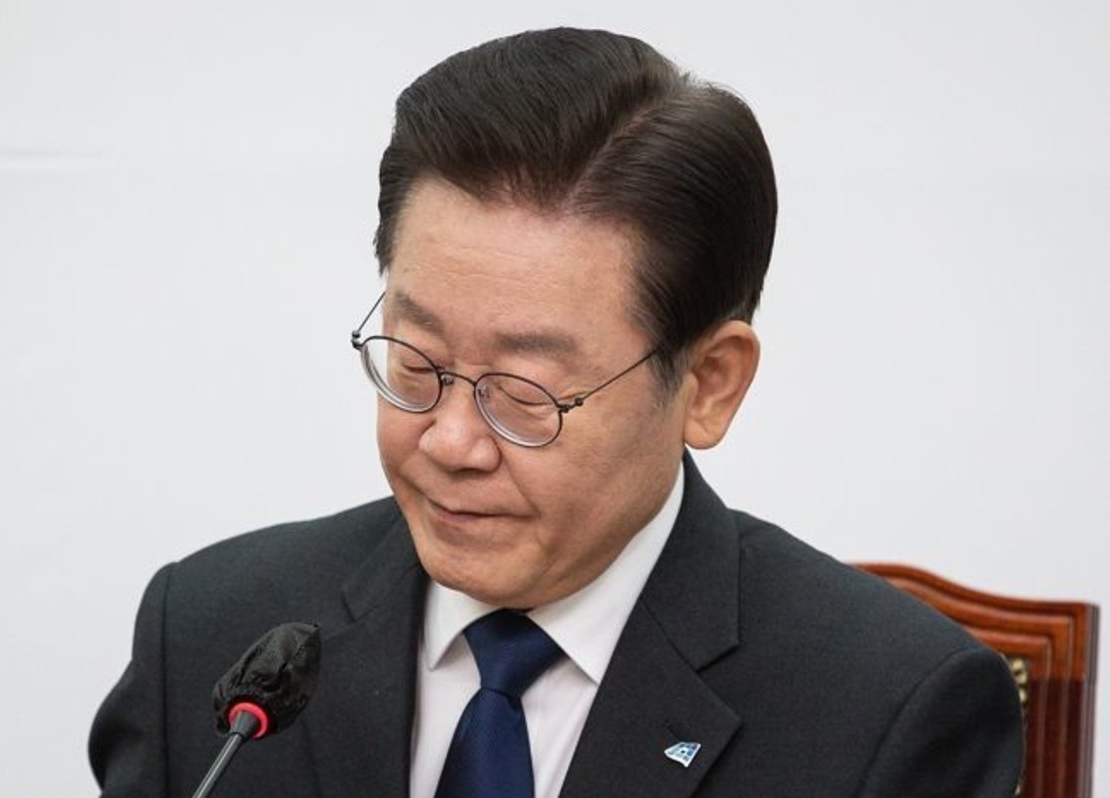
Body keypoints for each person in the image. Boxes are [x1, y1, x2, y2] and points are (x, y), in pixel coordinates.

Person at [90, 27, 1023, 797]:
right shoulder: (210, 632)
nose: (451, 441)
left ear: (708, 384)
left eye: (524, 394)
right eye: (416, 362)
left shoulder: (887, 712)